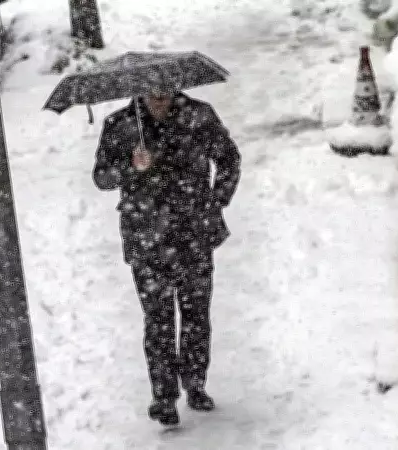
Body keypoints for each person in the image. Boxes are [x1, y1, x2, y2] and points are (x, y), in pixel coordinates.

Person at [92, 88, 241, 426]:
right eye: (151, 91)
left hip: (193, 232)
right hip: (146, 236)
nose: (159, 97)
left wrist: (216, 201)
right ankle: (164, 396)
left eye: (165, 89)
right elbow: (101, 176)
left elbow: (229, 159)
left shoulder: (199, 116)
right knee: (157, 319)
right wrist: (130, 166)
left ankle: (195, 383)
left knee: (195, 314)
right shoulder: (121, 124)